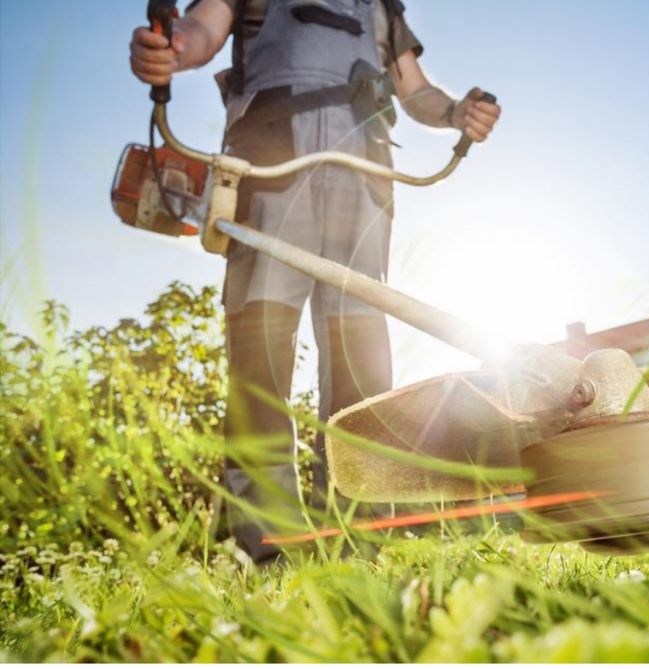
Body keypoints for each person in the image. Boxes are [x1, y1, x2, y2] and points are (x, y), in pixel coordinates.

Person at [129, 0, 501, 563]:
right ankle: (269, 552)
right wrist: (171, 49)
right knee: (261, 358)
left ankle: (362, 547)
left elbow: (414, 88)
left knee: (363, 366)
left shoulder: (380, 6)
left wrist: (456, 112)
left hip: (364, 172)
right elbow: (201, 29)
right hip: (272, 160)